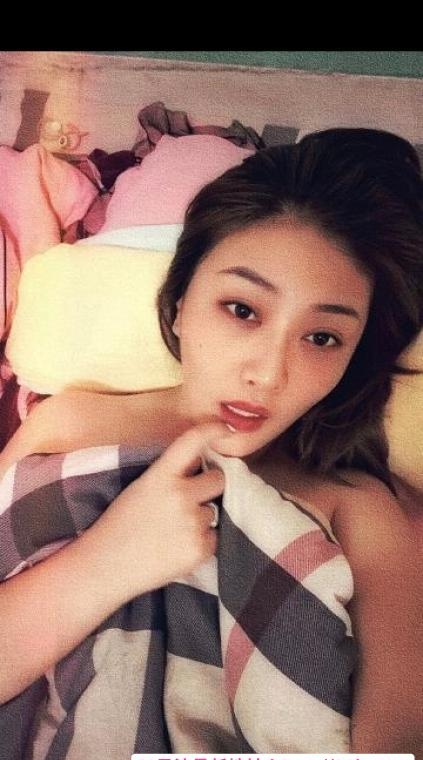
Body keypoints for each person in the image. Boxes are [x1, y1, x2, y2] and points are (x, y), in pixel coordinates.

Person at [0, 127, 422, 753]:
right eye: (243, 310)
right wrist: (107, 562)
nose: (269, 373)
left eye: (322, 338)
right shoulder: (67, 424)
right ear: (179, 303)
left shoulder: (361, 513)